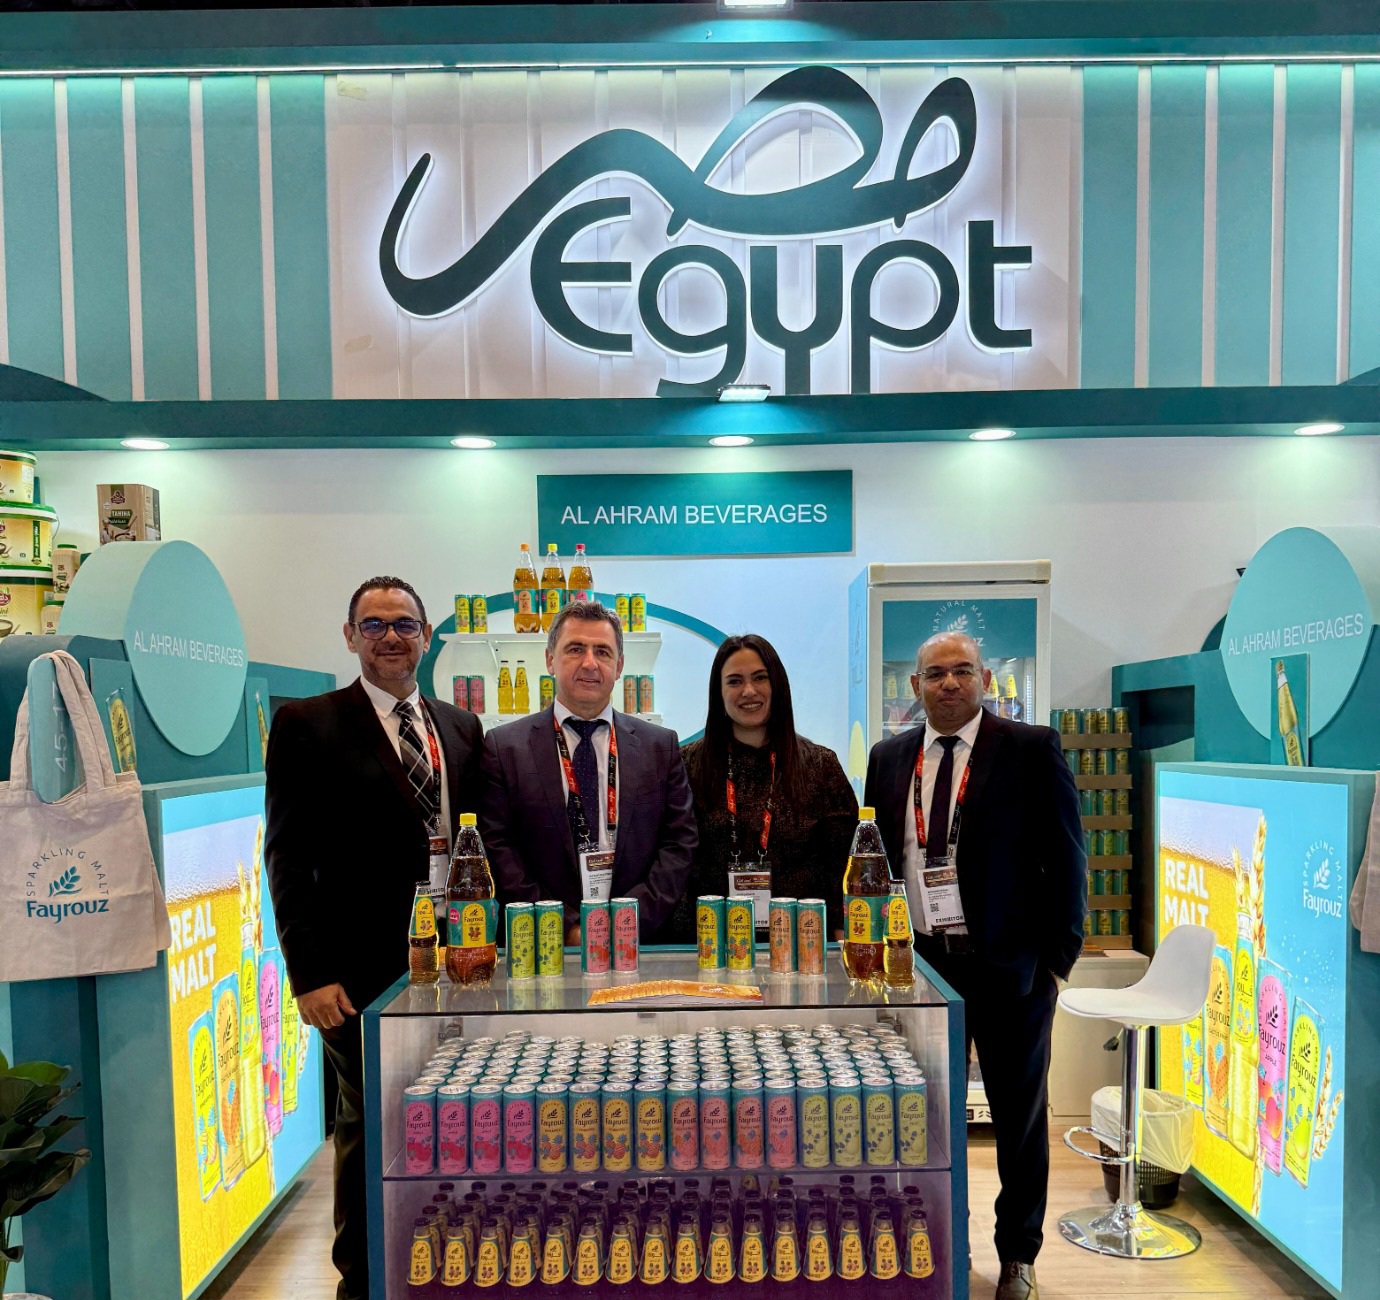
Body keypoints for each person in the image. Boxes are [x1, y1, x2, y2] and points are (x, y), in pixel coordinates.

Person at [264, 576, 484, 1300]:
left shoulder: (460, 727)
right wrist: (308, 973)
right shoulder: (308, 723)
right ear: (350, 635)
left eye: (404, 624)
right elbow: (287, 856)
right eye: (374, 624)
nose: (391, 637)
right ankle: (360, 1280)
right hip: (357, 971)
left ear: (426, 635)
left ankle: (437, 1263)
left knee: (446, 1113)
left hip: (454, 961)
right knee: (372, 1122)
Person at [863, 631, 1085, 1300]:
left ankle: (1018, 1255)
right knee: (930, 1116)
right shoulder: (888, 758)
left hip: (1011, 970)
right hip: (921, 968)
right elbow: (877, 861)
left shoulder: (1030, 748)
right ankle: (945, 1244)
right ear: (915, 686)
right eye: (936, 674)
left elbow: (1068, 858)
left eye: (963, 671)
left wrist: (1057, 962)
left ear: (985, 679)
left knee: (1019, 1119)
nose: (950, 683)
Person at [480, 599, 696, 940]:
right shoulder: (505, 747)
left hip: (639, 941)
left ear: (619, 665)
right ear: (550, 659)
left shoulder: (660, 746)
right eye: (575, 649)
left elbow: (679, 844)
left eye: (603, 652)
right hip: (544, 944)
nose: (590, 663)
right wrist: (564, 928)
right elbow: (498, 849)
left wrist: (626, 924)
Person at [672, 633, 856, 940]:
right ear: (718, 693)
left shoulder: (820, 765)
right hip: (709, 941)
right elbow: (675, 859)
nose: (749, 691)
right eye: (734, 681)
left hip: (801, 941)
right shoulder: (687, 764)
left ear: (778, 686)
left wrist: (841, 931)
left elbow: (842, 861)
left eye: (760, 678)